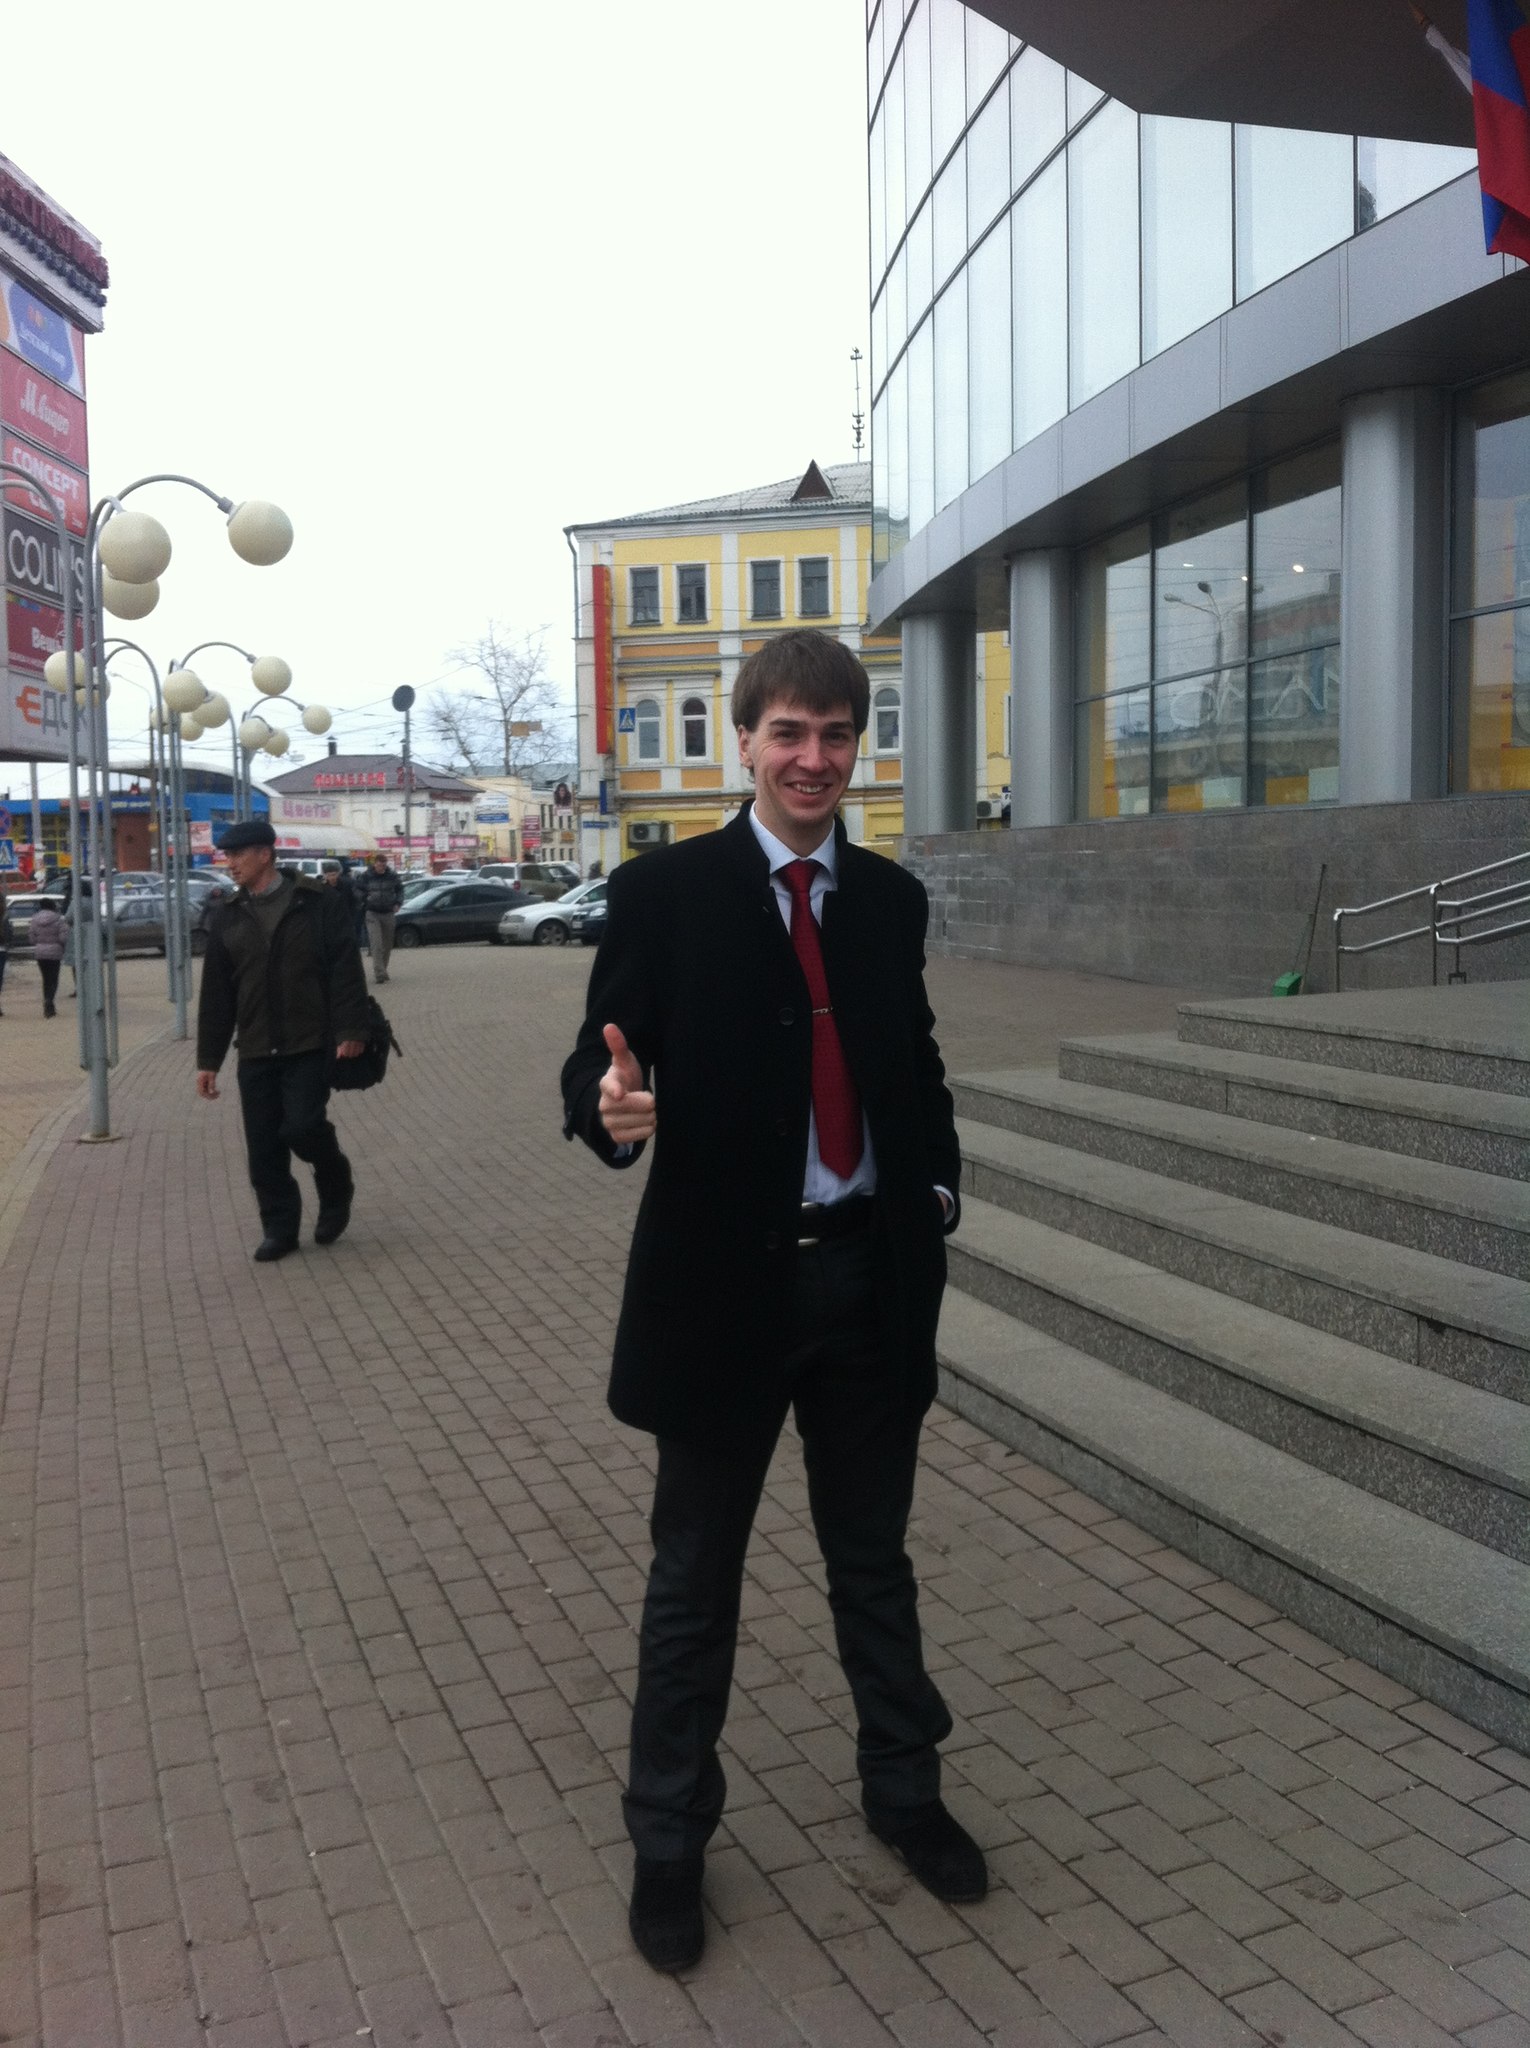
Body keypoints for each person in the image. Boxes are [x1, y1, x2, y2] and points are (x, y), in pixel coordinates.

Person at [561, 629, 979, 1975]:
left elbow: (914, 1062)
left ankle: (904, 1793)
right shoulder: (664, 894)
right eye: (788, 732)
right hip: (724, 1289)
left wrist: (934, 1191)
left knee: (873, 1559)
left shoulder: (889, 899)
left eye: (835, 734)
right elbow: (601, 1060)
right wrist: (612, 1107)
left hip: (867, 1279)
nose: (813, 758)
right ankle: (669, 1842)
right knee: (694, 1578)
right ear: (744, 740)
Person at [195, 819, 371, 1261]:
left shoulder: (317, 902)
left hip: (309, 1042)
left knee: (302, 1127)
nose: (230, 863)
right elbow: (217, 994)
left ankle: (335, 1182)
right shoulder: (228, 913)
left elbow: (345, 970)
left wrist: (352, 1029)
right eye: (227, 855)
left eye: (238, 855)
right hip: (256, 1047)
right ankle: (279, 1228)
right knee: (264, 1147)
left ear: (265, 854)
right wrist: (209, 1059)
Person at [359, 852, 405, 984]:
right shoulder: (366, 876)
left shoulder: (392, 876)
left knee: (387, 944)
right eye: (379, 865)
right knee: (376, 944)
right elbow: (357, 890)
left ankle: (383, 969)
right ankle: (379, 973)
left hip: (388, 912)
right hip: (372, 912)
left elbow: (400, 890)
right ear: (375, 864)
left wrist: (398, 903)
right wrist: (365, 899)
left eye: (384, 865)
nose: (381, 868)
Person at [29, 899, 65, 1017]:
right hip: (55, 952)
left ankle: (47, 1001)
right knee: (53, 979)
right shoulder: (58, 919)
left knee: (45, 979)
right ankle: (50, 1000)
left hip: (40, 952)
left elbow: (32, 939)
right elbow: (63, 938)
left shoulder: (34, 919)